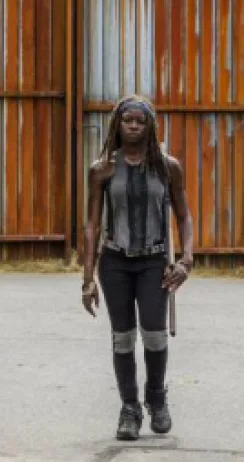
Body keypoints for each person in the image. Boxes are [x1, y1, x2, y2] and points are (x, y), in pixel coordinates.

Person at [81, 95, 195, 441]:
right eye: (127, 120)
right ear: (117, 124)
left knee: (155, 333)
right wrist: (88, 278)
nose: (133, 126)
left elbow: (184, 216)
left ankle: (156, 400)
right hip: (114, 262)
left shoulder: (167, 167)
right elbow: (92, 225)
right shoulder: (102, 169)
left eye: (140, 121)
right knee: (123, 337)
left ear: (150, 126)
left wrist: (186, 260)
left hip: (154, 262)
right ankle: (129, 408)